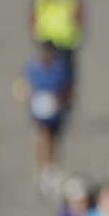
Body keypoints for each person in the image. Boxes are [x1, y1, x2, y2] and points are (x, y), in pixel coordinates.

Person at [20, 41, 74, 196]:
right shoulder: (32, 69)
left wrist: (61, 102)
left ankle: (52, 169)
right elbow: (24, 87)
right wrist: (28, 98)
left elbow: (67, 89)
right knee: (41, 138)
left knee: (54, 139)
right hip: (38, 111)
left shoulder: (60, 70)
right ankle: (41, 171)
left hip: (55, 111)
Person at [30, 0, 84, 92]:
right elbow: (33, 18)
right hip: (46, 44)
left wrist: (76, 35)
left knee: (67, 81)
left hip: (66, 45)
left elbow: (78, 18)